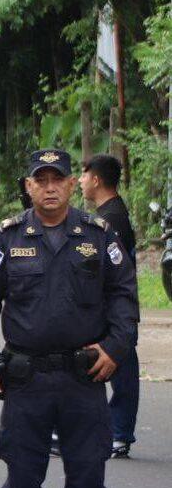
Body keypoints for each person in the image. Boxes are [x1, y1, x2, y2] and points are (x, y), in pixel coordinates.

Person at [0, 149, 136, 488]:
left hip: (84, 376)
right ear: (28, 186)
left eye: (56, 178)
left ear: (69, 183)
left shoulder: (98, 235)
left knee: (89, 467)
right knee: (22, 468)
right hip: (26, 377)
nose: (49, 187)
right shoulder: (7, 237)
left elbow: (123, 296)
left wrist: (116, 347)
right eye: (39, 179)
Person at [80, 153, 139, 457]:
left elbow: (117, 271)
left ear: (96, 179)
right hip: (108, 307)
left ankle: (119, 432)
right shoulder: (109, 213)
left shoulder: (110, 218)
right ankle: (109, 430)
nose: (80, 181)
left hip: (115, 309)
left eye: (83, 175)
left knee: (122, 367)